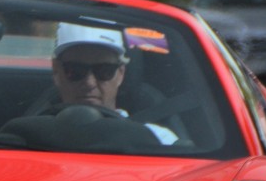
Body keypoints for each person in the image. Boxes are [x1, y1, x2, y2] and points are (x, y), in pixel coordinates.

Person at [49, 23, 177, 144]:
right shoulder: (33, 136)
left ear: (120, 74)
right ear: (56, 71)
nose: (89, 83)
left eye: (104, 71)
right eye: (75, 70)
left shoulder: (157, 140)